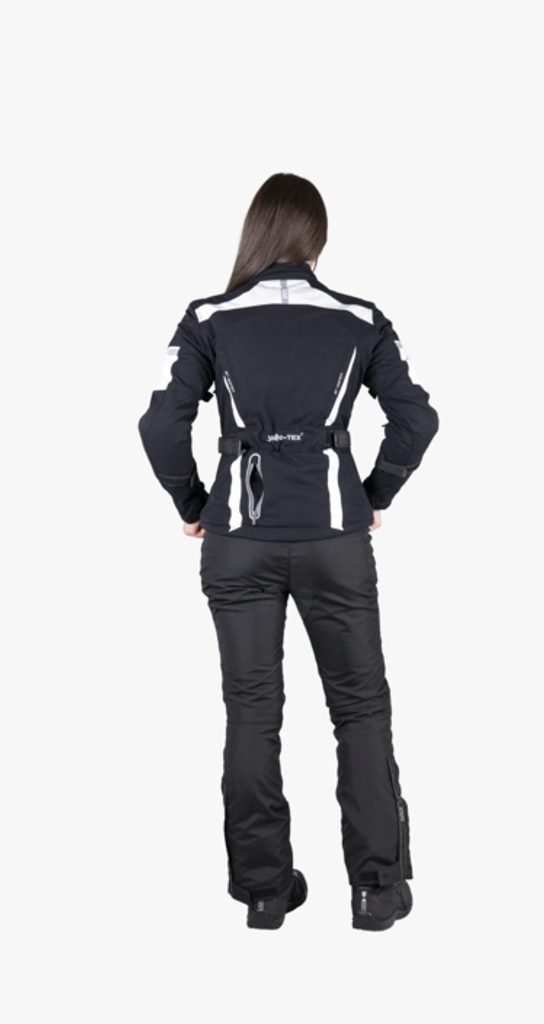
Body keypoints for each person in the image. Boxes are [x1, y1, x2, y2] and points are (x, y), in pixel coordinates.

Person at [137, 172, 439, 930]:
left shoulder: (209, 317)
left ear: (255, 233)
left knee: (251, 711)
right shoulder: (359, 319)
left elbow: (160, 426)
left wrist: (192, 503)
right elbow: (417, 419)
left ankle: (264, 892)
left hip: (237, 542)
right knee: (360, 709)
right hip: (336, 540)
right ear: (317, 237)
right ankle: (376, 889)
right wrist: (374, 493)